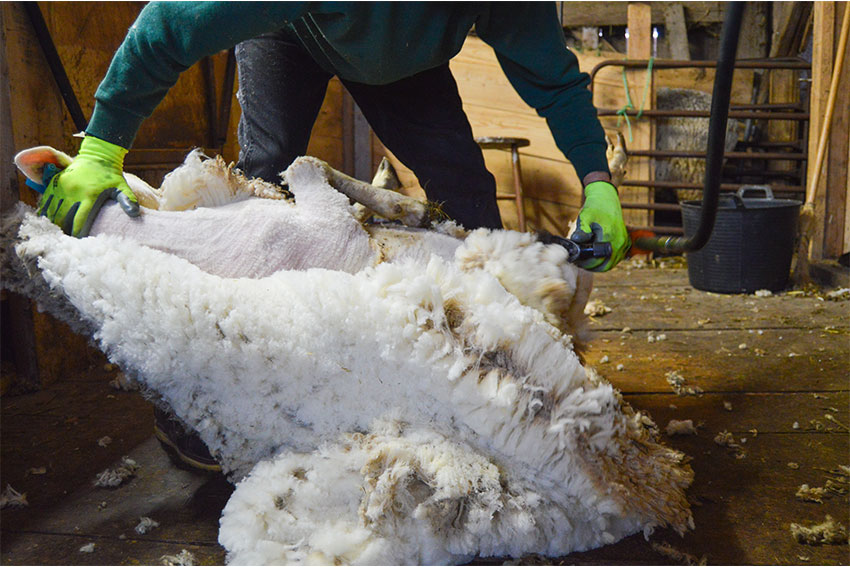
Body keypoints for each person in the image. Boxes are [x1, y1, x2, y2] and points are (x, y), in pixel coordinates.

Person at [33, 2, 630, 472]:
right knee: (264, 182)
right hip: (290, 32)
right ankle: (211, 402)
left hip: (404, 64)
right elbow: (169, 25)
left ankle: (498, 382)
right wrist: (101, 147)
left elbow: (553, 81)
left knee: (468, 193)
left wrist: (598, 182)